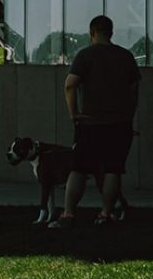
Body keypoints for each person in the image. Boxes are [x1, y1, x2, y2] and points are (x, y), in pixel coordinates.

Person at [53, 14, 140, 228]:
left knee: (79, 169)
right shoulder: (125, 56)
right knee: (113, 169)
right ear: (111, 32)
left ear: (92, 33)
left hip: (90, 123)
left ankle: (68, 215)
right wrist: (129, 116)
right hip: (119, 123)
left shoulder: (85, 55)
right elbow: (134, 89)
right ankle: (105, 214)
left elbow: (70, 84)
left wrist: (74, 113)